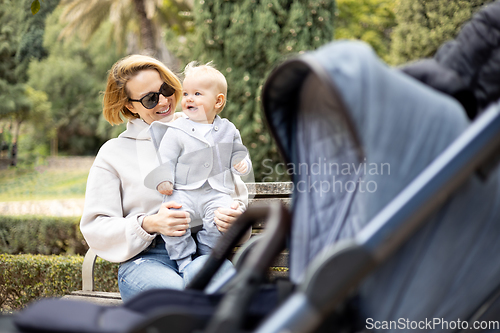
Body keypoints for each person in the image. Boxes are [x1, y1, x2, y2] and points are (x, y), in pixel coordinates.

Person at [79, 54, 250, 302]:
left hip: (204, 252)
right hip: (146, 261)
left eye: (166, 89)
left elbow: (233, 197)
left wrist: (235, 219)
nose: (164, 101)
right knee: (183, 301)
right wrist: (150, 223)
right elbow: (96, 227)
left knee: (216, 295)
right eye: (150, 98)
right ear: (130, 106)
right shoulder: (112, 153)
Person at [144, 62, 252, 272]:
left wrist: (242, 164)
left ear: (218, 101)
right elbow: (165, 158)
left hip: (216, 190)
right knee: (175, 220)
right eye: (185, 94)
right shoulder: (176, 129)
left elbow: (240, 155)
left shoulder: (228, 130)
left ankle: (205, 255)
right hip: (183, 190)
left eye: (197, 93)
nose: (188, 99)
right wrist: (164, 179)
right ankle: (184, 261)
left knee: (221, 219)